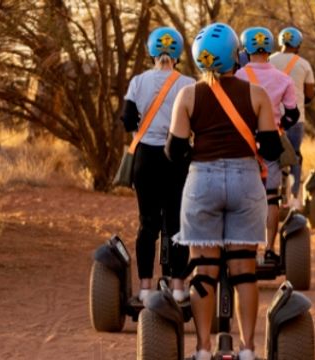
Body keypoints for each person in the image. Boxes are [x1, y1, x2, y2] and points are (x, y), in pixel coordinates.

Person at [167, 22, 282, 360]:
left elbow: (175, 152)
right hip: (246, 180)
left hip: (203, 180)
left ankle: (203, 349)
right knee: (243, 268)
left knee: (204, 270)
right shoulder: (256, 94)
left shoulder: (188, 95)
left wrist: (200, 152)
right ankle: (246, 350)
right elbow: (273, 149)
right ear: (236, 55)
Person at [121, 26, 197, 305]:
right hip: (176, 158)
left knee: (148, 224)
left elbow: (128, 118)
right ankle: (178, 288)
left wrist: (140, 135)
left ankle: (144, 288)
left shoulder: (138, 82)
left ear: (151, 52)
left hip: (145, 158)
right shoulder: (188, 83)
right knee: (177, 222)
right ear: (177, 54)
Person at [235, 27, 300, 265]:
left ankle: (247, 252)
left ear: (245, 49)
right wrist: (279, 125)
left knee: (244, 200)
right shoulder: (284, 79)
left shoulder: (238, 77)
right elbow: (293, 114)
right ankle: (270, 250)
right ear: (270, 47)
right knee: (271, 198)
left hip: (242, 143)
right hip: (271, 141)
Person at [269, 27, 315, 203]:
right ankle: (294, 198)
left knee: (273, 157)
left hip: (271, 119)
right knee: (295, 156)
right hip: (296, 120)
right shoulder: (304, 64)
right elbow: (310, 95)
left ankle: (275, 194)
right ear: (298, 44)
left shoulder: (269, 61)